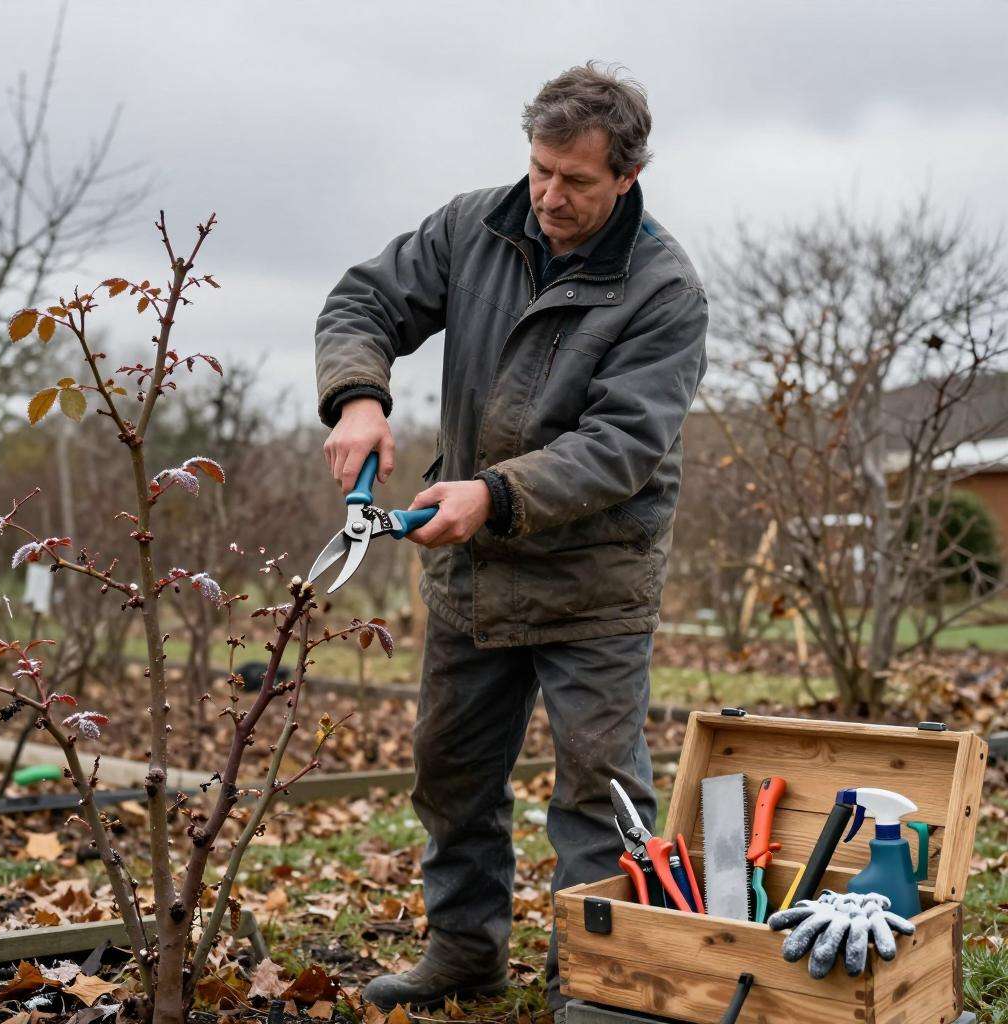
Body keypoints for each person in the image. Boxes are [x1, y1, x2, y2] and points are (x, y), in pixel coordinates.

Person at [314, 61, 708, 1017]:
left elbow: (620, 445)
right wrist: (360, 397)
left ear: (626, 175)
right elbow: (363, 302)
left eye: (575, 180)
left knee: (596, 794)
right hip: (474, 577)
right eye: (539, 169)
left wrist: (493, 494)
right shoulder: (476, 225)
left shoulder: (664, 291)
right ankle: (464, 952)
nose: (549, 196)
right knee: (451, 774)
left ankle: (603, 983)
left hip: (593, 586)